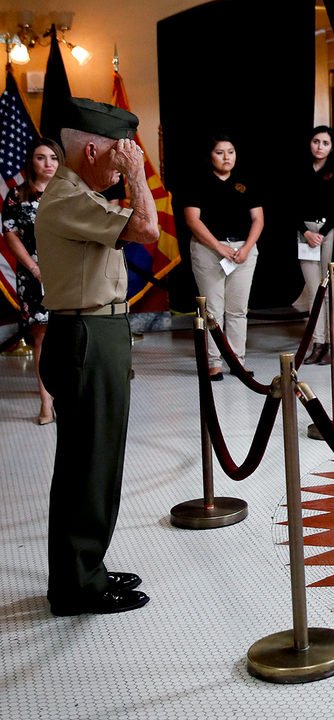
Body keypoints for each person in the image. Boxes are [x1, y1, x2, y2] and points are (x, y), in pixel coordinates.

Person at [36, 97, 159, 615]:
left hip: (96, 331)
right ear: (91, 151)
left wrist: (125, 171)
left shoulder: (81, 194)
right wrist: (137, 176)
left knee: (97, 460)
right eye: (119, 154)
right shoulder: (67, 198)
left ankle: (88, 568)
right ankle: (76, 586)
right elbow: (148, 230)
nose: (123, 162)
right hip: (85, 335)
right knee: (87, 466)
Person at [182, 134, 263, 380]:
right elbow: (192, 220)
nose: (226, 157)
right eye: (220, 152)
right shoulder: (197, 182)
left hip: (242, 250)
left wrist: (246, 248)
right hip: (209, 250)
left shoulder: (246, 181)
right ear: (210, 155)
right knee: (213, 310)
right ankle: (214, 363)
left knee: (238, 309)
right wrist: (219, 247)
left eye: (231, 151)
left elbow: (258, 219)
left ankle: (238, 361)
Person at [3, 138, 63, 423]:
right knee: (42, 336)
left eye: (53, 158)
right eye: (41, 157)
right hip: (33, 273)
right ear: (31, 161)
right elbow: (10, 234)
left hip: (68, 273)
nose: (48, 163)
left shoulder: (70, 192)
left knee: (70, 334)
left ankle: (69, 395)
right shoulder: (17, 195)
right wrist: (34, 268)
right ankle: (46, 401)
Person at [297, 126, 334, 366]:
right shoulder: (300, 168)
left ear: (332, 146)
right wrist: (306, 232)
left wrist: (321, 232)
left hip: (333, 232)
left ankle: (333, 344)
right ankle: (317, 344)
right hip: (306, 232)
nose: (320, 146)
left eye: (325, 143)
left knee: (333, 292)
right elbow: (289, 204)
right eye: (316, 141)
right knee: (314, 292)